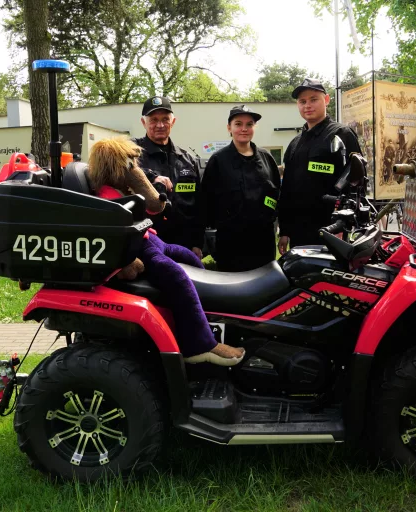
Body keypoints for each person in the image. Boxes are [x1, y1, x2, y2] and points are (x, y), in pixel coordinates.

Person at [88, 137, 245, 366]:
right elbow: (107, 235)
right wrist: (124, 264)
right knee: (175, 275)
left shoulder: (122, 189)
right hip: (140, 249)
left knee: (188, 258)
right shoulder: (107, 197)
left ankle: (203, 317)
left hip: (152, 240)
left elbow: (150, 205)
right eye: (129, 165)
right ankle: (199, 345)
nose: (134, 169)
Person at [278, 78, 362, 254]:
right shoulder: (294, 144)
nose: (307, 105)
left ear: (326, 100)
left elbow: (356, 183)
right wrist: (285, 230)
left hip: (330, 232)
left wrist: (343, 226)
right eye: (302, 101)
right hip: (298, 234)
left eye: (313, 99)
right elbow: (287, 190)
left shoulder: (342, 135)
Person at [201, 105, 281, 272]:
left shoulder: (267, 158)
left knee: (267, 292)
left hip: (263, 243)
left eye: (249, 124)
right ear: (229, 128)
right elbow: (205, 202)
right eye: (238, 124)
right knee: (233, 295)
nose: (244, 129)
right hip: (231, 245)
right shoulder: (218, 161)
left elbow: (278, 196)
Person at [133, 96, 204, 257]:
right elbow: (114, 167)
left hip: (184, 243)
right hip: (148, 244)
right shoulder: (132, 152)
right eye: (153, 120)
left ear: (173, 122)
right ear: (144, 122)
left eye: (165, 119)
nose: (160, 125)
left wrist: (198, 243)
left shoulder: (186, 159)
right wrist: (150, 177)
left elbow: (199, 205)